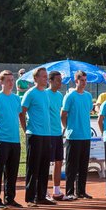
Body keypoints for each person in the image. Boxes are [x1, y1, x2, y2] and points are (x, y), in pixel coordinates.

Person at [0, 69, 22, 209]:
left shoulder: (16, 98)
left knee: (12, 172)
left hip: (15, 140)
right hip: (1, 140)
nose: (11, 83)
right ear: (1, 82)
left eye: (12, 80)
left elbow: (18, 115)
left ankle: (10, 199)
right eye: (7, 80)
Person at [20, 67, 55, 205]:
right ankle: (30, 198)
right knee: (33, 167)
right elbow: (22, 112)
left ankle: (41, 196)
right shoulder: (30, 93)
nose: (46, 78)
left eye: (46, 76)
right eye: (43, 76)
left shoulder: (46, 93)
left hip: (47, 135)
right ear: (35, 79)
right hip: (34, 134)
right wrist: (26, 129)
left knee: (44, 167)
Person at [61, 70, 95, 200]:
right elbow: (63, 115)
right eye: (82, 80)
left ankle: (81, 191)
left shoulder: (88, 96)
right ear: (76, 81)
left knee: (83, 165)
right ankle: (69, 192)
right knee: (71, 165)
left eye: (86, 80)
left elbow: (89, 111)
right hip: (73, 136)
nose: (84, 83)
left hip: (86, 135)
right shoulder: (70, 96)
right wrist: (68, 127)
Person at [46, 71, 66, 199]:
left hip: (58, 133)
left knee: (59, 162)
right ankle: (43, 191)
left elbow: (61, 113)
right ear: (50, 81)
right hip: (47, 134)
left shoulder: (60, 96)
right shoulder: (44, 94)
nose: (60, 83)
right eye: (58, 80)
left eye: (61, 80)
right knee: (46, 163)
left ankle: (56, 191)